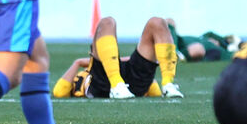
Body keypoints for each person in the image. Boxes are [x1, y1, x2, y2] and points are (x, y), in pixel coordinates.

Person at [53, 16, 183, 99]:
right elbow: (59, 92)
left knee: (158, 22)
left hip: (130, 79)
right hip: (102, 84)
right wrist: (78, 63)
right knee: (107, 22)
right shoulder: (83, 76)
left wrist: (121, 62)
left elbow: (154, 92)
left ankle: (168, 84)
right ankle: (117, 85)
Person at [166, 18, 239, 62]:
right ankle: (174, 52)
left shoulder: (221, 52)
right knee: (169, 21)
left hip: (185, 52)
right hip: (177, 42)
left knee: (198, 48)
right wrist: (220, 40)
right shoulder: (207, 37)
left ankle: (176, 55)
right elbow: (210, 33)